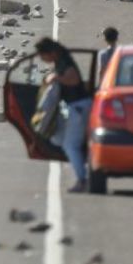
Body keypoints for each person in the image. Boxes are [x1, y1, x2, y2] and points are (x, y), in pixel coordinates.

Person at [34, 38, 91, 192]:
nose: (42, 59)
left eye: (43, 56)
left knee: (70, 145)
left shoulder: (64, 60)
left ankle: (82, 180)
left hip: (78, 107)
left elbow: (74, 79)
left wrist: (56, 78)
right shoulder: (61, 59)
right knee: (63, 141)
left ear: (50, 53)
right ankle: (84, 176)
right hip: (78, 107)